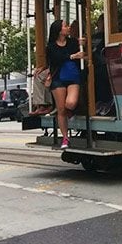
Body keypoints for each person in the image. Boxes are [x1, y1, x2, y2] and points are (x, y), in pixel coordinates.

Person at [45, 19, 84, 149]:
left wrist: (83, 44)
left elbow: (81, 53)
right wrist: (72, 56)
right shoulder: (50, 47)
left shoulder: (72, 42)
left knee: (70, 103)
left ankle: (70, 112)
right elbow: (56, 59)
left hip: (72, 76)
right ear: (59, 30)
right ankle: (65, 138)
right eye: (65, 26)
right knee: (61, 109)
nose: (68, 28)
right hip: (58, 78)